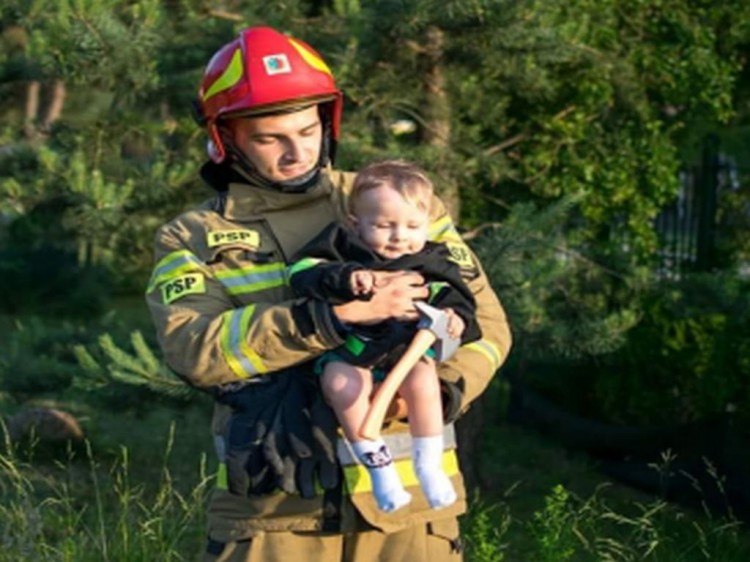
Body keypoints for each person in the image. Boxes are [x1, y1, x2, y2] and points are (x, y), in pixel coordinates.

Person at [145, 26, 512, 562]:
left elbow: (489, 328)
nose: (298, 153)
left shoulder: (393, 200)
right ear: (227, 139)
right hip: (276, 515)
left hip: (410, 516)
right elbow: (193, 350)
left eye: (308, 130)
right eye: (271, 138)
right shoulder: (192, 236)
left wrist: (441, 392)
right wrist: (333, 318)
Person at [288, 159, 482, 513]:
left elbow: (459, 299)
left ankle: (429, 465)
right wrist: (345, 277)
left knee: (424, 380)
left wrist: (456, 318)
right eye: (384, 225)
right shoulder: (340, 246)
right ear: (355, 223)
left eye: (413, 225)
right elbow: (300, 272)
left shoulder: (431, 260)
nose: (400, 237)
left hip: (405, 351)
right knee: (339, 383)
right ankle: (380, 469)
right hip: (350, 348)